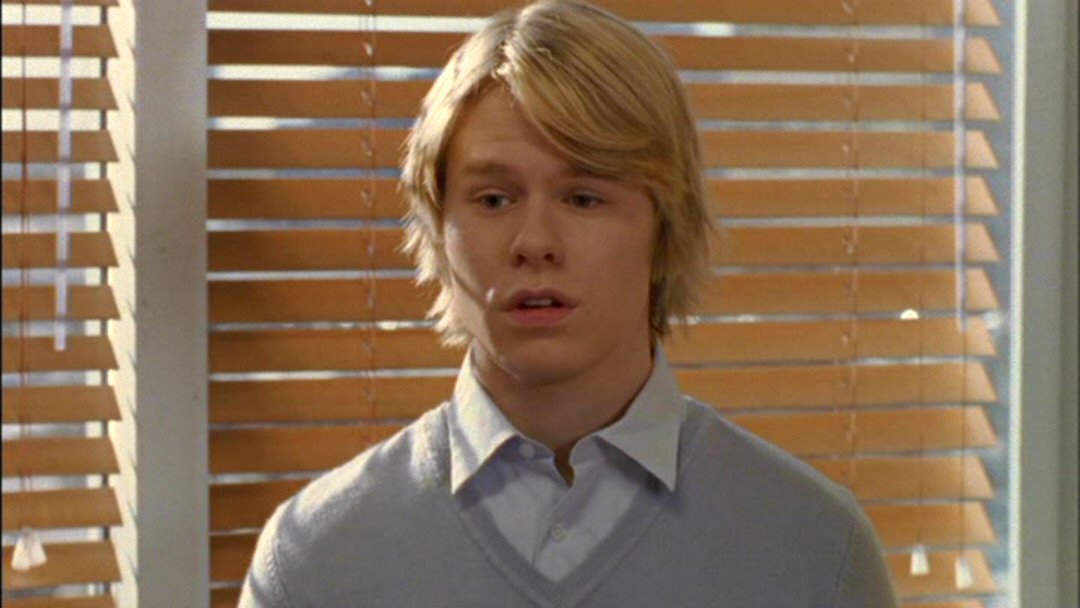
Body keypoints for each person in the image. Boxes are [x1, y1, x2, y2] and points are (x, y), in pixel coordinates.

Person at [240, 1, 898, 606]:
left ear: (665, 224)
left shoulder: (813, 549)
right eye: (494, 199)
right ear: (439, 227)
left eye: (584, 197)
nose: (534, 243)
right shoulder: (318, 558)